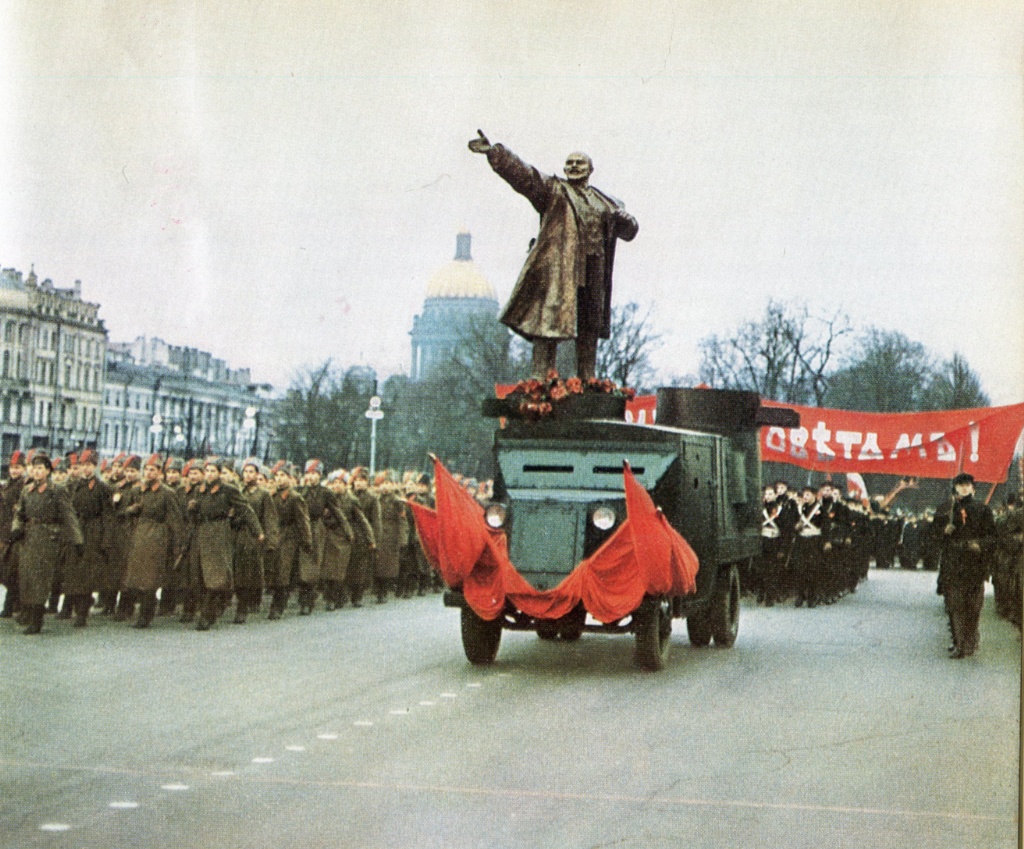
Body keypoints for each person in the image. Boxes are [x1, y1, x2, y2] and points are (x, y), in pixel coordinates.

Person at [468, 130, 639, 379]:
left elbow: (629, 231)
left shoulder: (607, 202)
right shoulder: (553, 191)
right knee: (549, 324)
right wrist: (497, 154)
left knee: (589, 328)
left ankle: (587, 380)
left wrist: (627, 221)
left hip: (594, 272)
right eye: (569, 162)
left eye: (579, 162)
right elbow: (526, 176)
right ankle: (541, 380)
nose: (573, 166)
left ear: (591, 169)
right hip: (562, 270)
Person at [10, 451, 83, 634]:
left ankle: (37, 620)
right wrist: (16, 528)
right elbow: (20, 513)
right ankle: (28, 612)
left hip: (47, 539)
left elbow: (68, 516)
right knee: (26, 577)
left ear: (48, 471)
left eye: (40, 468)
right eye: (34, 468)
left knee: (40, 580)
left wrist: (77, 540)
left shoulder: (56, 491)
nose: (36, 472)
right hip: (28, 538)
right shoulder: (27, 490)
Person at [933, 472, 997, 658]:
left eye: (967, 485)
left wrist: (980, 545)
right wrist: (944, 532)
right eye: (960, 485)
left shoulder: (983, 510)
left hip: (974, 565)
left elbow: (993, 537)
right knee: (955, 605)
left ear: (973, 488)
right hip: (953, 563)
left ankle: (970, 639)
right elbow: (931, 538)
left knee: (973, 607)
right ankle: (960, 643)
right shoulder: (946, 510)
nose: (964, 488)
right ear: (955, 488)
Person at [121, 454, 185, 628]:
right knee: (137, 578)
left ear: (159, 472)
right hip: (139, 536)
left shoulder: (167, 493)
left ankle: (145, 616)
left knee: (150, 579)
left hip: (157, 537)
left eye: (152, 470)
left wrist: (178, 543)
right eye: (146, 469)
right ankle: (141, 612)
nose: (148, 473)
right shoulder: (138, 491)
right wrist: (131, 510)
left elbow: (175, 520)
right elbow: (124, 513)